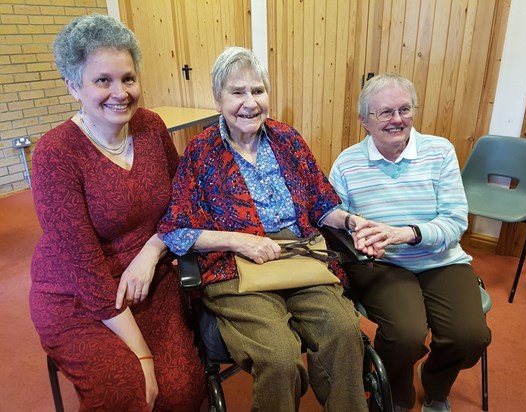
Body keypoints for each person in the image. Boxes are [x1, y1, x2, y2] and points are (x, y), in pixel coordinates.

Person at [157, 46, 368, 412]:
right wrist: (241, 241)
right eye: (237, 92)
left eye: (257, 90)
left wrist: (350, 220)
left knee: (344, 332)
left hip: (299, 255)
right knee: (280, 355)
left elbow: (321, 201)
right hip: (235, 265)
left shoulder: (287, 139)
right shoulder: (200, 152)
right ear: (217, 98)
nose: (249, 102)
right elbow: (175, 230)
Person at [29, 14, 206, 411]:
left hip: (148, 280)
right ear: (73, 86)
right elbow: (85, 270)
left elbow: (180, 207)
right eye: (102, 80)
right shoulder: (55, 154)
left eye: (128, 78)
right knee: (127, 390)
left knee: (181, 390)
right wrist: (142, 355)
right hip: (76, 295)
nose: (120, 92)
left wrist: (153, 249)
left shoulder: (151, 127)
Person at [329, 72, 492, 412]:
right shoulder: (347, 163)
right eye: (385, 112)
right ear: (364, 121)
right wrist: (358, 237)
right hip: (382, 263)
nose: (397, 119)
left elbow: (454, 220)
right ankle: (396, 394)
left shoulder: (439, 151)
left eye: (405, 109)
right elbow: (334, 219)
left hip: (440, 258)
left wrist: (406, 233)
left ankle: (434, 381)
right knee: (404, 334)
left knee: (469, 337)